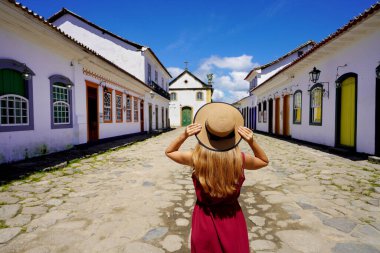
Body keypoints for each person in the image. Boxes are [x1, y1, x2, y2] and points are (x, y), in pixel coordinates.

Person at [165, 102, 269, 253]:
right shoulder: (239, 159)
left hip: (204, 220)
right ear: (232, 134)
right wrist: (251, 141)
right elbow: (264, 161)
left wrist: (184, 135)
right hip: (232, 219)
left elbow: (170, 152)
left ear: (205, 135)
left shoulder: (196, 158)